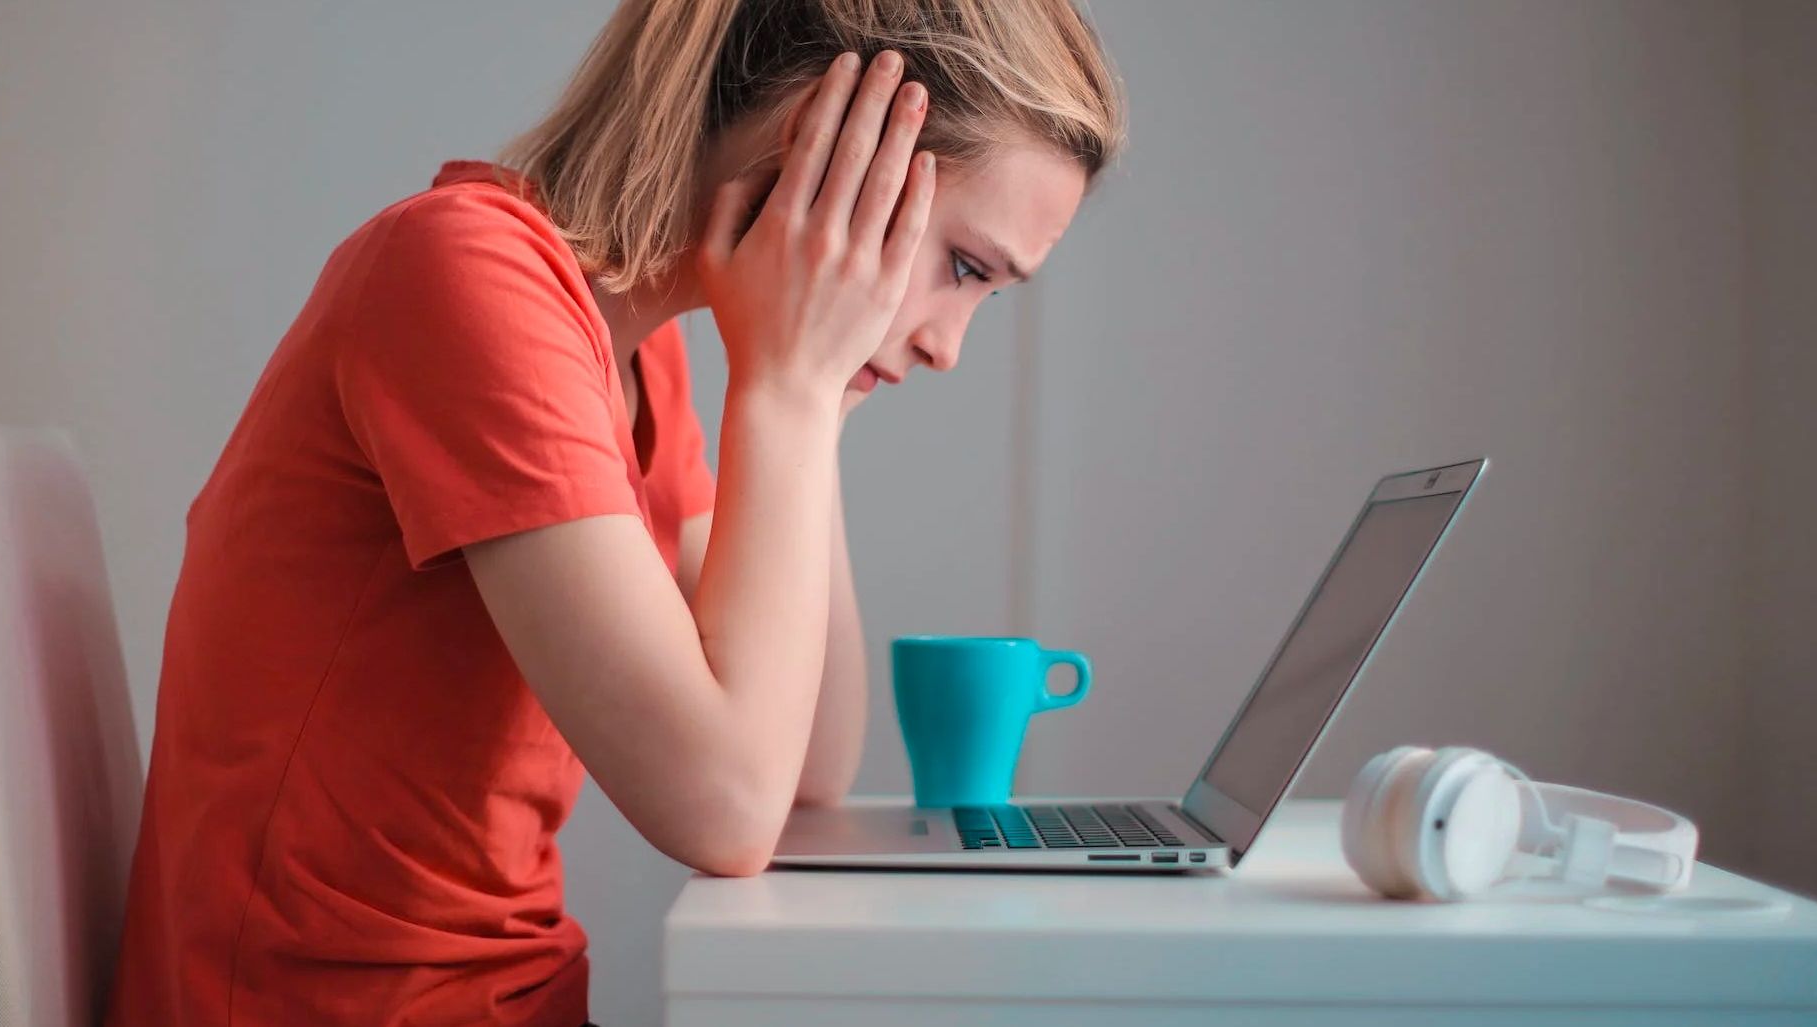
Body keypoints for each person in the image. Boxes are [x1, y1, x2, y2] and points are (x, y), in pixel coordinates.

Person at [105, 0, 1124, 1023]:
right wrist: (789, 394)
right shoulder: (464, 277)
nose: (951, 344)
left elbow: (807, 764)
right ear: (822, 146)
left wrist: (818, 394)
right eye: (964, 268)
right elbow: (723, 806)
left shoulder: (639, 356)